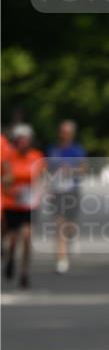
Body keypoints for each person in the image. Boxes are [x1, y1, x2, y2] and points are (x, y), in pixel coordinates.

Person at [2, 125, 44, 289]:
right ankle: (11, 258)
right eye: (19, 140)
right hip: (12, 203)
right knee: (12, 239)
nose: (22, 143)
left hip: (29, 204)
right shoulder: (8, 157)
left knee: (27, 237)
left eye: (25, 140)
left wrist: (39, 191)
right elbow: (4, 180)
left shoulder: (36, 156)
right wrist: (10, 189)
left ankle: (24, 272)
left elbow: (41, 178)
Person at [46, 120, 87, 273]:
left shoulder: (77, 150)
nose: (64, 135)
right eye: (62, 131)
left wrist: (70, 170)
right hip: (57, 191)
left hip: (71, 191)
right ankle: (62, 259)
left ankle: (72, 235)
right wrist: (48, 189)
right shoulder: (53, 150)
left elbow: (83, 170)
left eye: (67, 132)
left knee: (69, 224)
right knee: (59, 224)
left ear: (72, 134)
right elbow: (48, 171)